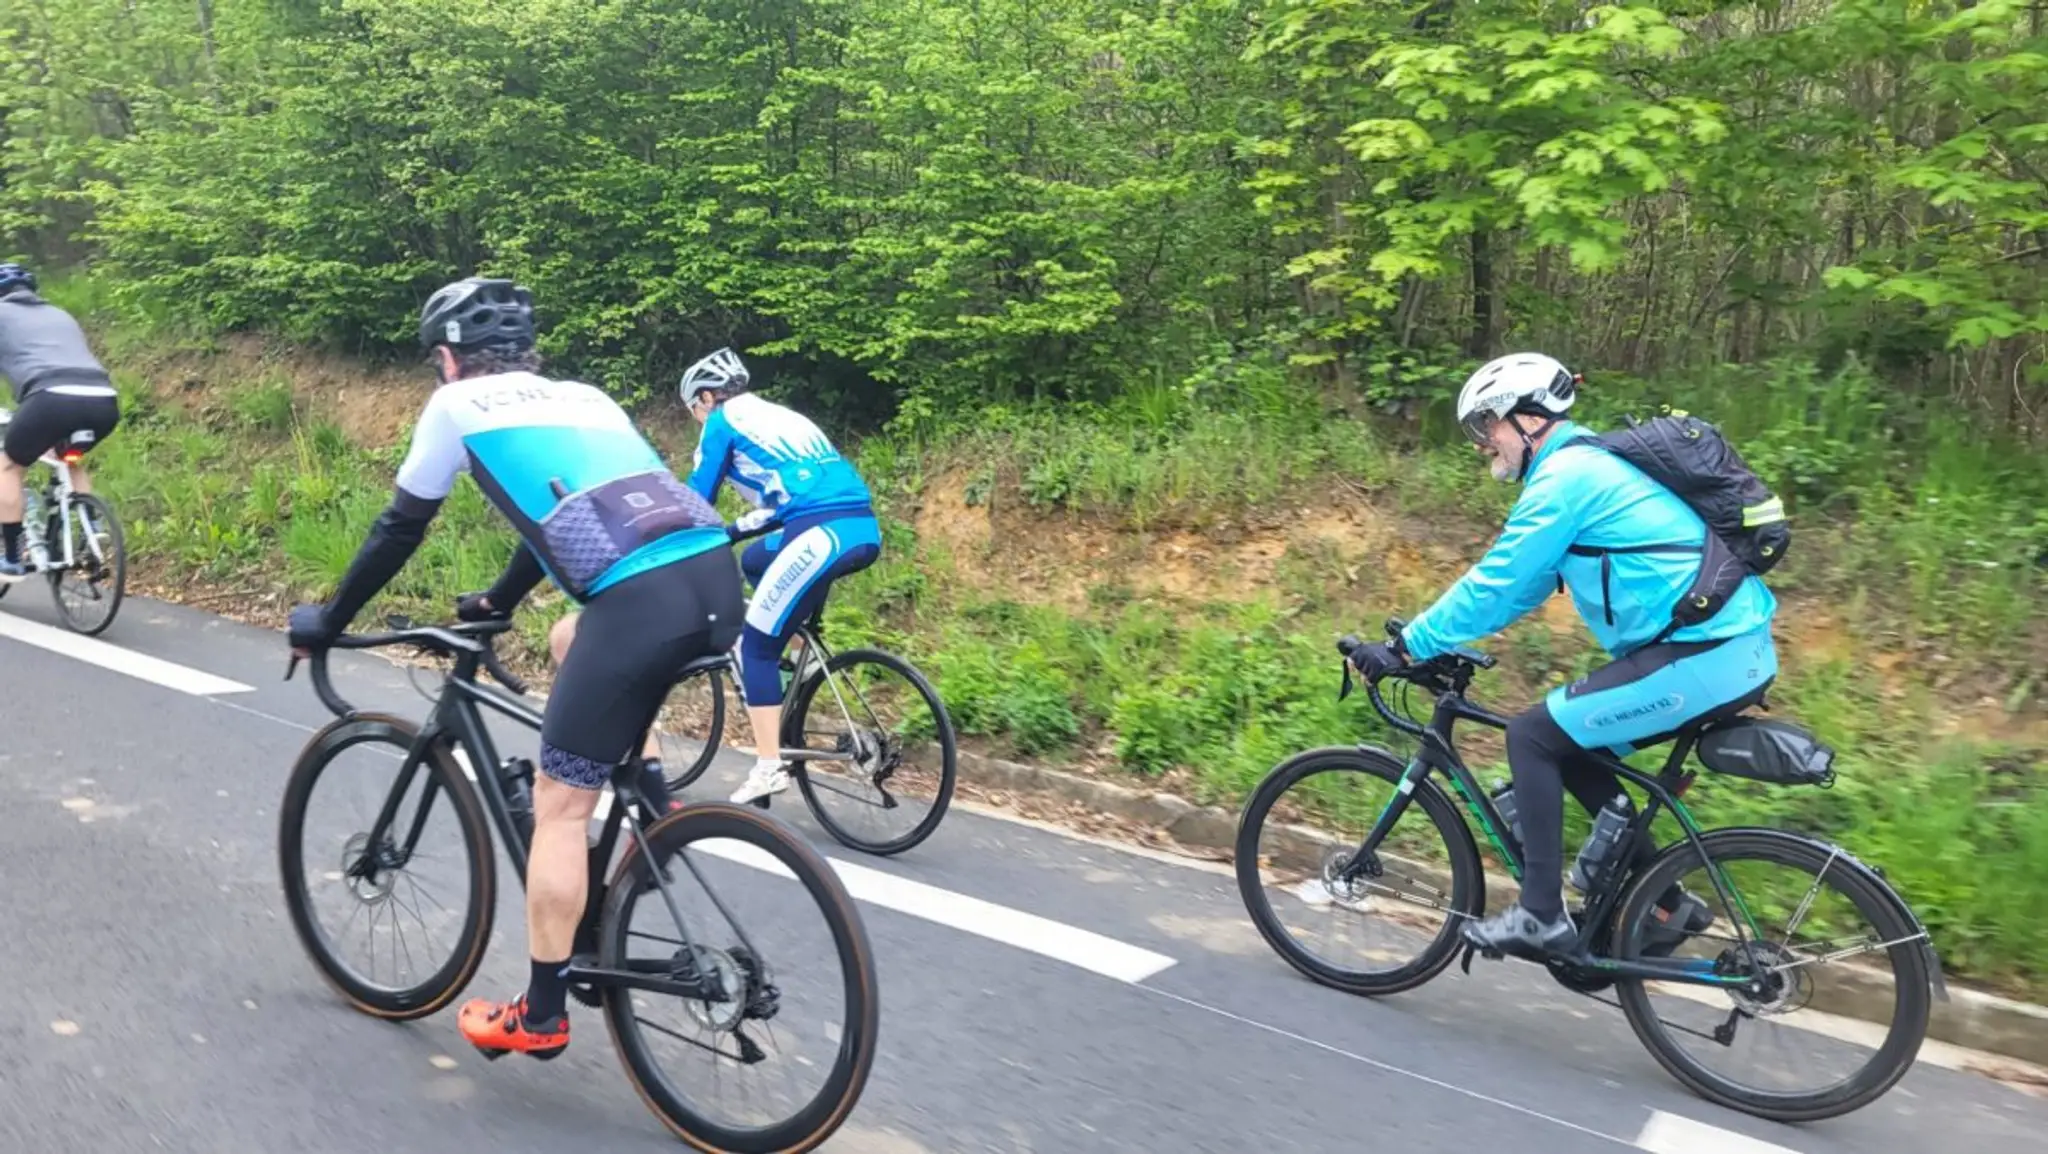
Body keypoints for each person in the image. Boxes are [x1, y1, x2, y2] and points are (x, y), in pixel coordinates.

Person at [286, 276, 744, 1058]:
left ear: (449, 357)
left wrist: (329, 620)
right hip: (712, 581)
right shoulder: (587, 399)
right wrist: (495, 598)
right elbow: (569, 514)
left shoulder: (457, 408)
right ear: (525, 352)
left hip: (639, 608)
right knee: (573, 639)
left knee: (561, 807)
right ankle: (655, 814)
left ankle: (540, 1015)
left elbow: (401, 527)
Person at [1346, 352, 1778, 957]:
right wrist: (1428, 643)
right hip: (1724, 651)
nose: (1482, 444)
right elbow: (1521, 588)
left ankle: (1540, 915)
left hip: (1706, 655)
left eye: (1487, 426)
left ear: (1528, 419)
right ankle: (1669, 905)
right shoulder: (1584, 467)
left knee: (1531, 736)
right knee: (1572, 748)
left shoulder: (1566, 478)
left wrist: (1404, 645)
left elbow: (1495, 580)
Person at [679, 347, 882, 805]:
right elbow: (781, 505)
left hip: (819, 534)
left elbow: (695, 501)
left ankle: (769, 766)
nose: (696, 417)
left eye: (693, 408)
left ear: (707, 397)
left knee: (755, 646)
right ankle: (803, 657)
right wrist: (731, 532)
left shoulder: (722, 421)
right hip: (859, 529)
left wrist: (669, 541)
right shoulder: (779, 416)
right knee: (755, 561)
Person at [0, 263, 122, 581]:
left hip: (49, 398)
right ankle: (91, 528)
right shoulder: (60, 314)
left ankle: (12, 558)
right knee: (67, 456)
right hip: (104, 400)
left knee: (9, 466)